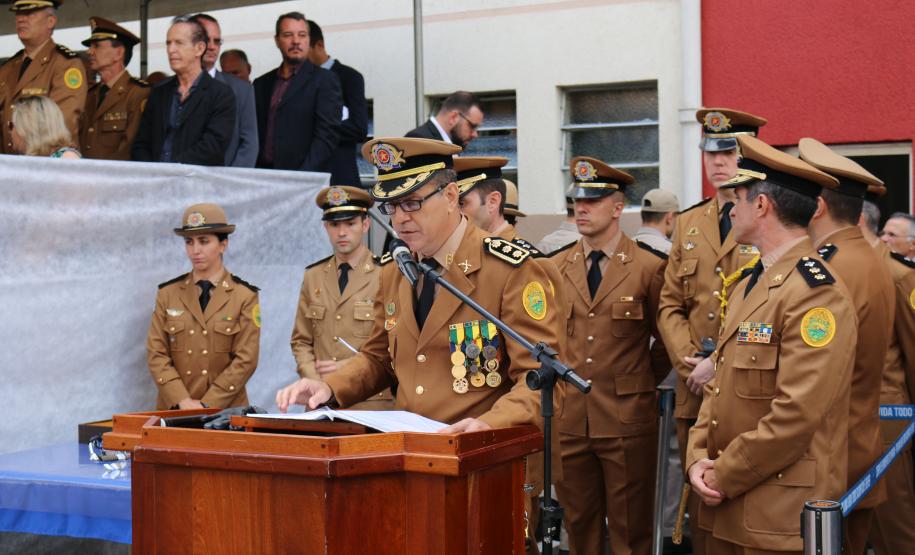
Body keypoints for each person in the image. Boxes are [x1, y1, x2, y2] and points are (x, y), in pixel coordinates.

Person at [275, 137, 562, 438]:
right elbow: (378, 357)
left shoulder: (511, 269)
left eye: (412, 203)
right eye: (392, 206)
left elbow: (542, 378)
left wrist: (491, 423)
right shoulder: (394, 271)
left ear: (451, 196)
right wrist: (329, 386)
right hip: (413, 454)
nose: (400, 218)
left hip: (483, 457)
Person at [686, 135, 855, 555]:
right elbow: (719, 385)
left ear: (762, 206)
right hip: (727, 502)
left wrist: (721, 474)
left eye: (738, 198)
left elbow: (795, 416)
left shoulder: (816, 294)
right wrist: (696, 459)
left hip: (776, 513)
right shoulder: (752, 283)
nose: (730, 208)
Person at [656, 107, 767, 553]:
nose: (718, 162)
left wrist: (716, 364)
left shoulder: (763, 215)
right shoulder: (688, 222)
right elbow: (670, 304)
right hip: (694, 387)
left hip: (746, 385)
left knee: (746, 498)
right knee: (699, 499)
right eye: (710, 152)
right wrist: (692, 363)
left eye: (729, 151)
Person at [549, 156, 668, 555]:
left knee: (630, 529)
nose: (580, 209)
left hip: (627, 417)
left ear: (618, 208)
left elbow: (666, 340)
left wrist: (636, 380)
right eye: (576, 202)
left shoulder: (648, 268)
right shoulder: (553, 267)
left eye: (593, 202)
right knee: (578, 526)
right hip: (570, 420)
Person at [454, 155, 566, 550]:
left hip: (505, 445)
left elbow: (540, 368)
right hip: (454, 448)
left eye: (462, 202)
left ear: (492, 202)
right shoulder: (449, 266)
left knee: (515, 539)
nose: (454, 213)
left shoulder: (520, 264)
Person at [799, 138, 894, 554]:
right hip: (857, 450)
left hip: (829, 461)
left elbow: (812, 374)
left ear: (817, 206)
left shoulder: (830, 268)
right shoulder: (867, 256)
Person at [146, 203, 260, 410]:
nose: (195, 250)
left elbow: (246, 359)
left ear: (223, 245)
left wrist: (209, 404)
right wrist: (182, 400)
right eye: (189, 242)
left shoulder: (244, 295)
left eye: (204, 241)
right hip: (175, 409)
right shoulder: (168, 293)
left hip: (225, 411)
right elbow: (157, 353)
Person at [290, 185, 393, 410]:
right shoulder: (313, 276)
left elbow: (394, 344)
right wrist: (315, 379)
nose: (342, 232)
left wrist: (348, 369)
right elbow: (301, 340)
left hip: (371, 402)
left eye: (350, 223)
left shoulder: (386, 273)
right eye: (335, 225)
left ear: (365, 225)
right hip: (320, 403)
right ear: (326, 227)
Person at [131, 16, 235, 166]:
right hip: (155, 183)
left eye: (178, 43)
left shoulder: (221, 94)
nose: (171, 50)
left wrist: (172, 170)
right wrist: (152, 173)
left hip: (196, 185)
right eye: (168, 43)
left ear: (199, 48)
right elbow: (141, 143)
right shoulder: (159, 92)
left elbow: (213, 146)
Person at [254, 11, 342, 172]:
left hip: (304, 180)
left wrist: (302, 176)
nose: (296, 41)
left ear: (309, 40)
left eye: (302, 35)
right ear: (277, 40)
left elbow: (326, 137)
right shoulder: (261, 84)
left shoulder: (325, 80)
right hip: (263, 176)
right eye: (288, 35)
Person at [0, 0, 87, 153]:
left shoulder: (66, 64)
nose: (21, 19)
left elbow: (63, 123)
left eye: (30, 14)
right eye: (18, 13)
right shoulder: (7, 68)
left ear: (50, 21)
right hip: (9, 166)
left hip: (45, 164)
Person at [78, 16, 149, 161]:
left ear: (119, 53)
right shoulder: (90, 94)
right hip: (83, 177)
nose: (89, 52)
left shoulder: (138, 93)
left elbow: (129, 148)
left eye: (97, 46)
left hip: (115, 179)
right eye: (90, 46)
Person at [191, 14, 258, 168]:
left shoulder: (242, 90)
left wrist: (231, 183)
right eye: (207, 39)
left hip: (226, 183)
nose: (213, 46)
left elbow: (249, 144)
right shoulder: (172, 88)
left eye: (217, 41)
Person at [308, 20, 368, 187]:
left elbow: (359, 128)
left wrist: (315, 128)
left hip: (340, 177)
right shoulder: (296, 82)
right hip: (307, 179)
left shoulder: (349, 77)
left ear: (318, 45)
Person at [406, 91, 483, 148]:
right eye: (472, 126)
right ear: (454, 117)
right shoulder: (418, 140)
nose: (475, 134)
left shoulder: (450, 144)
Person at [10, 95, 79, 158]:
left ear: (27, 128)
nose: (10, 131)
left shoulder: (67, 157)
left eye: (12, 125)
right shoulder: (39, 157)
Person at [632, 188, 679, 254]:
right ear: (669, 217)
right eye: (676, 216)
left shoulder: (623, 249)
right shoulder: (673, 253)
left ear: (642, 214)